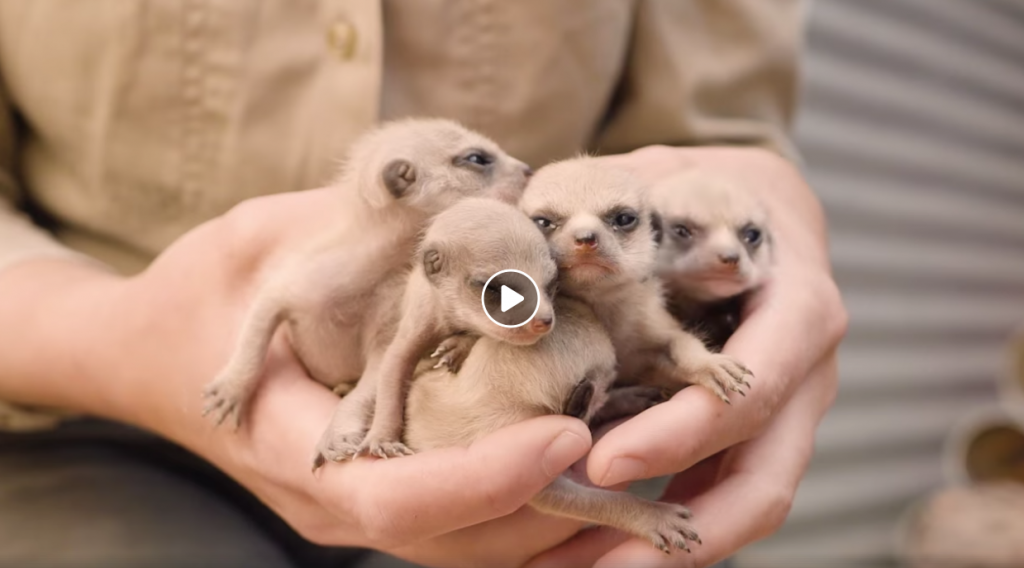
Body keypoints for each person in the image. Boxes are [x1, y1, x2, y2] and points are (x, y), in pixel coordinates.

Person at [0, 1, 847, 567]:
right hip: (79, 424)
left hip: (546, 453)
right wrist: (123, 342)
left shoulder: (532, 283)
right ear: (402, 189)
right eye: (481, 166)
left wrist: (769, 225)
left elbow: (716, 141)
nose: (510, 173)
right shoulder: (400, 274)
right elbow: (391, 360)